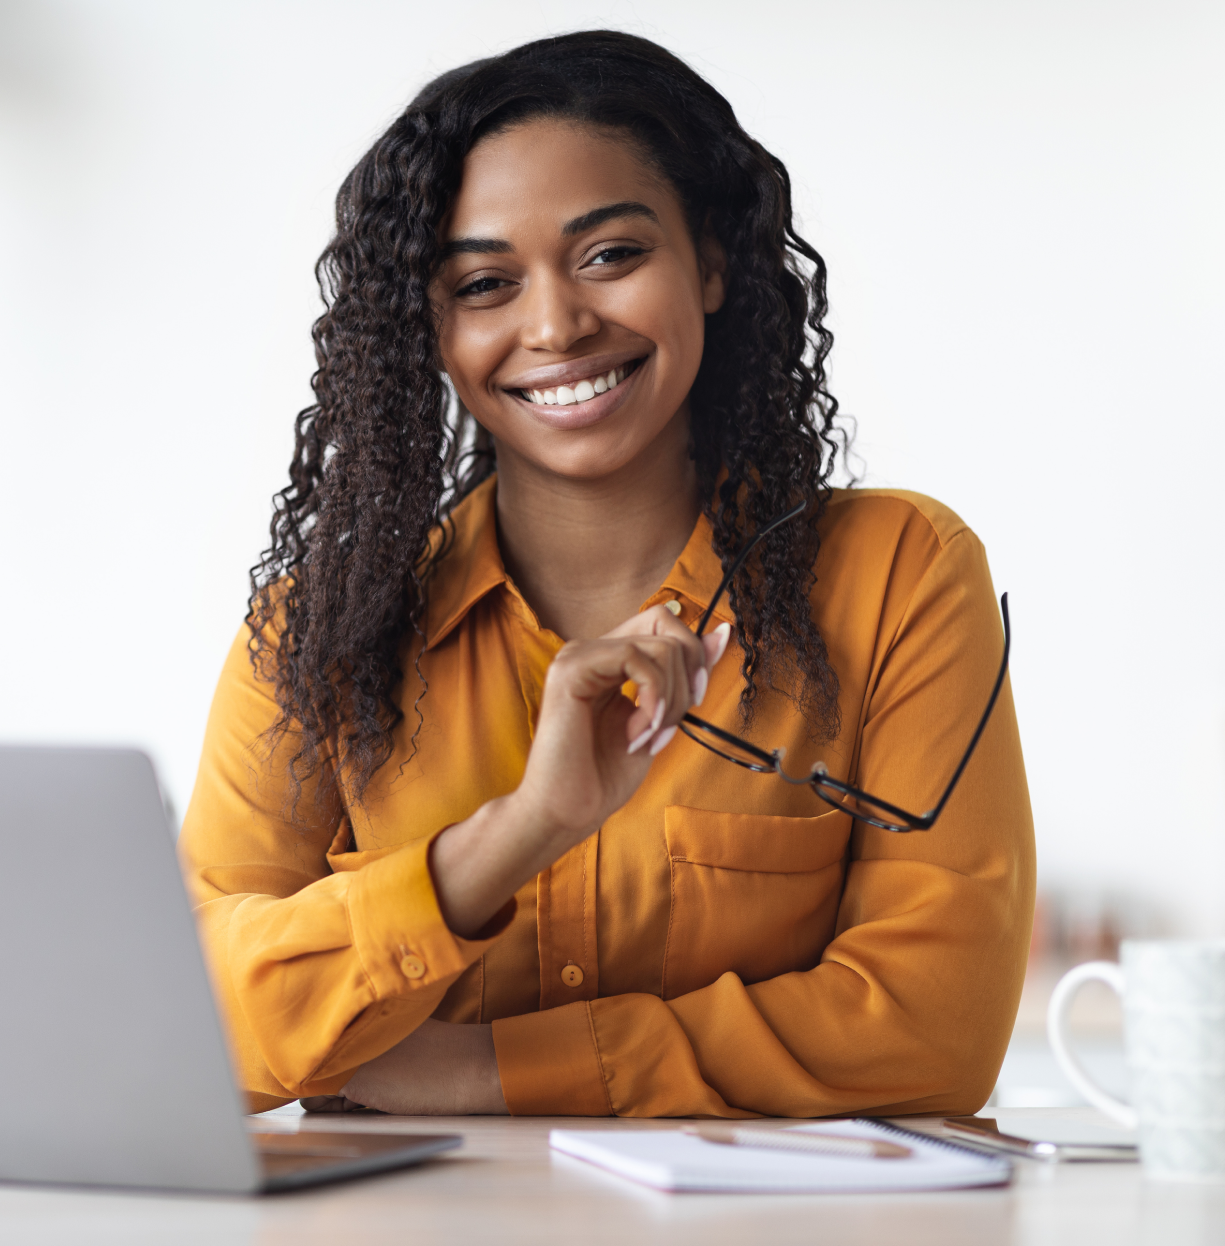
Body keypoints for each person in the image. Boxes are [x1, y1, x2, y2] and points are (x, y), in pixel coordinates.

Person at [179, 30, 1034, 1119]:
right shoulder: (319, 632)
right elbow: (195, 1023)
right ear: (429, 329)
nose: (556, 326)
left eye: (610, 255)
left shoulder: (901, 578)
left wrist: (480, 1071)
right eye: (485, 283)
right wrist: (518, 831)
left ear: (711, 263)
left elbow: (933, 1031)